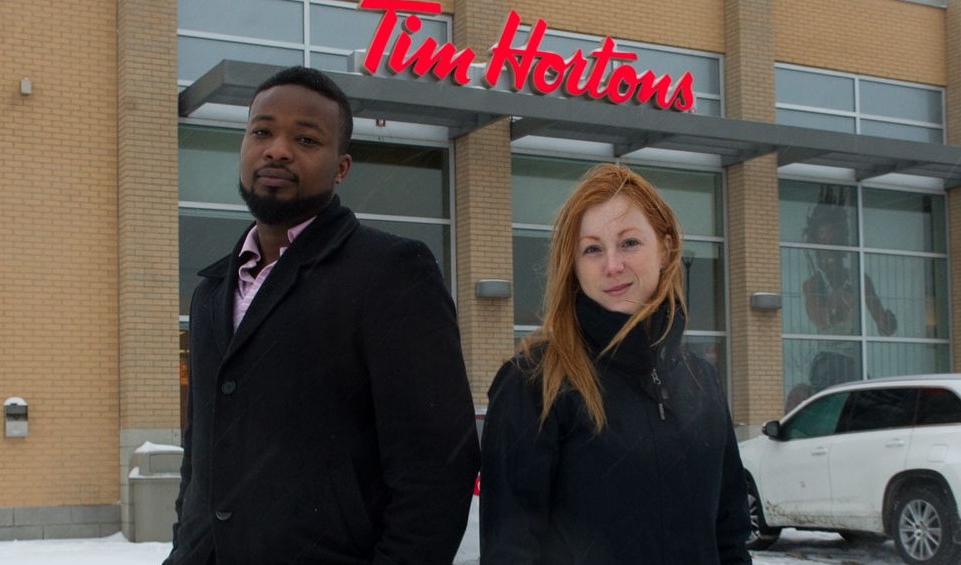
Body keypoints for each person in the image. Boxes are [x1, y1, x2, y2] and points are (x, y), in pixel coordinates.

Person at [165, 66, 480, 565]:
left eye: (306, 138)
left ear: (341, 167)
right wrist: (186, 547)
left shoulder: (390, 272)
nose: (277, 149)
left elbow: (437, 465)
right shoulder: (212, 290)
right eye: (262, 131)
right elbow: (200, 454)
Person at [479, 163, 752, 565]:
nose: (612, 265)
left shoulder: (702, 380)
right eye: (592, 249)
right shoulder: (535, 381)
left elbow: (729, 536)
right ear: (572, 265)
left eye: (629, 243)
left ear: (665, 247)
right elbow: (510, 550)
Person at [784, 198, 897, 412]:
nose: (828, 249)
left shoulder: (859, 280)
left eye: (833, 239)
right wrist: (834, 305)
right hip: (829, 361)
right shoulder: (814, 283)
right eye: (823, 239)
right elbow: (820, 320)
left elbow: (884, 327)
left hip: (854, 357)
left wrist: (887, 320)